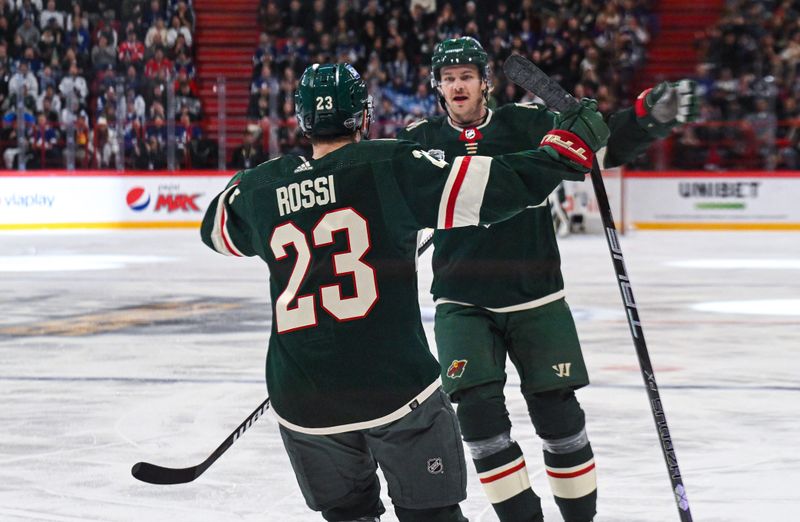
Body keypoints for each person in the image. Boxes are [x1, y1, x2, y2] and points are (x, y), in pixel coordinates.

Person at [200, 62, 609, 522]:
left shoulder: (262, 187)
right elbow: (494, 189)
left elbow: (215, 231)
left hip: (303, 401)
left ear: (301, 120)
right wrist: (563, 151)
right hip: (394, 390)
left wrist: (257, 183)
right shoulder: (390, 164)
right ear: (363, 117)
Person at [398, 37, 699, 522]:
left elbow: (600, 146)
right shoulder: (419, 142)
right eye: (448, 78)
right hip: (461, 301)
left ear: (484, 83)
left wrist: (645, 119)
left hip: (536, 296)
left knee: (560, 419)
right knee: (477, 421)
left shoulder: (528, 123)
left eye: (466, 76)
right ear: (437, 87)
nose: (457, 86)